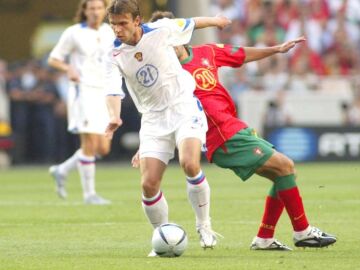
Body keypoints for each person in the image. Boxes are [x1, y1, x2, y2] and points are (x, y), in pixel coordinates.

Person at [133, 10, 337, 251]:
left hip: (232, 125)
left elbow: (239, 54)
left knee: (282, 174)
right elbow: (156, 110)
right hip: (218, 135)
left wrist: (276, 49)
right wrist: (145, 145)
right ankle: (302, 232)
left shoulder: (206, 52)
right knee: (285, 167)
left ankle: (264, 238)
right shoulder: (163, 72)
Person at [103, 0, 231, 255]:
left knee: (190, 164)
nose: (117, 29)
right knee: (149, 184)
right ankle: (162, 236)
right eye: (113, 25)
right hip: (152, 119)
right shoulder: (112, 54)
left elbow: (193, 23)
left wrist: (216, 22)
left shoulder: (161, 29)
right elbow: (112, 89)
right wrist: (114, 116)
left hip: (183, 106)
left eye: (123, 23)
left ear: (137, 21)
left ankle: (204, 225)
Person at [48, 0, 123, 204]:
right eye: (92, 8)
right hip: (84, 90)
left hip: (106, 91)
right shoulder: (74, 32)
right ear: (85, 11)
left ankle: (62, 170)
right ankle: (89, 194)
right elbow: (54, 58)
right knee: (89, 143)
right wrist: (68, 69)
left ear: (104, 10)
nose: (96, 12)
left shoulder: (110, 31)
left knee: (103, 148)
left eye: (99, 8)